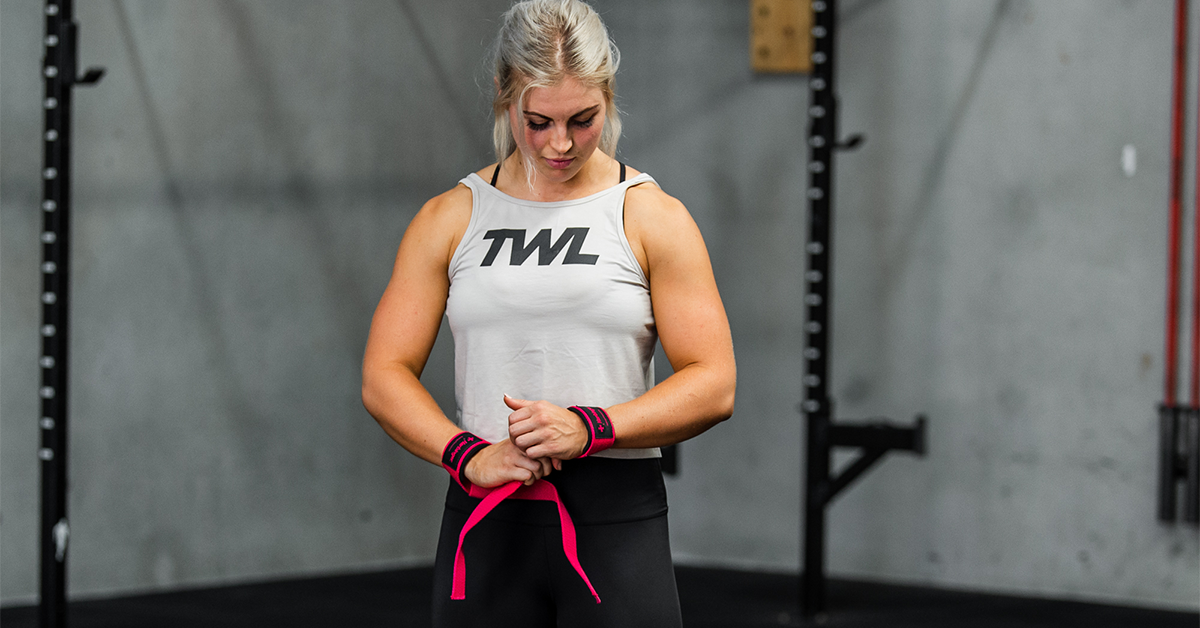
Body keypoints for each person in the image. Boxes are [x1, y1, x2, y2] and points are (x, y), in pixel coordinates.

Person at [361, 0, 735, 625]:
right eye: (537, 122)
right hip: (486, 512)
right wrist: (465, 454)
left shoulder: (650, 217)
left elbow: (714, 383)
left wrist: (591, 426)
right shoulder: (451, 218)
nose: (560, 144)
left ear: (608, 100)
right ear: (507, 102)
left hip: (615, 523)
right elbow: (383, 374)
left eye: (582, 120)